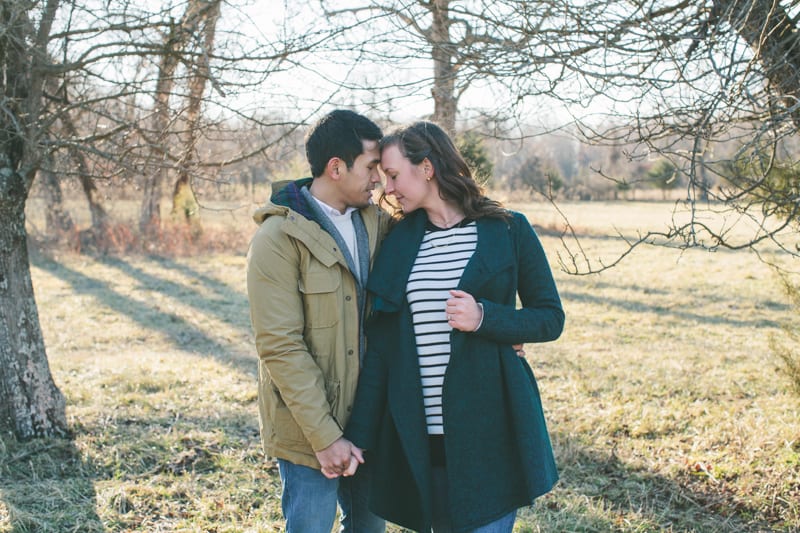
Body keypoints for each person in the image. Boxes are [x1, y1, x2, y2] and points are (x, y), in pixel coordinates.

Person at [344, 121, 565, 532]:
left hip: (491, 431)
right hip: (422, 437)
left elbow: (550, 317)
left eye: (392, 175)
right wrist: (357, 436)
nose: (387, 188)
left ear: (426, 167)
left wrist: (486, 318)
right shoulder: (398, 243)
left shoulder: (508, 229)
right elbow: (383, 350)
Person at [246, 109, 390, 533]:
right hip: (308, 431)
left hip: (368, 420)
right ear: (336, 167)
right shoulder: (277, 238)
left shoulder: (378, 223)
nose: (378, 180)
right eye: (370, 167)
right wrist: (325, 438)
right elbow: (280, 345)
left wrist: (497, 326)